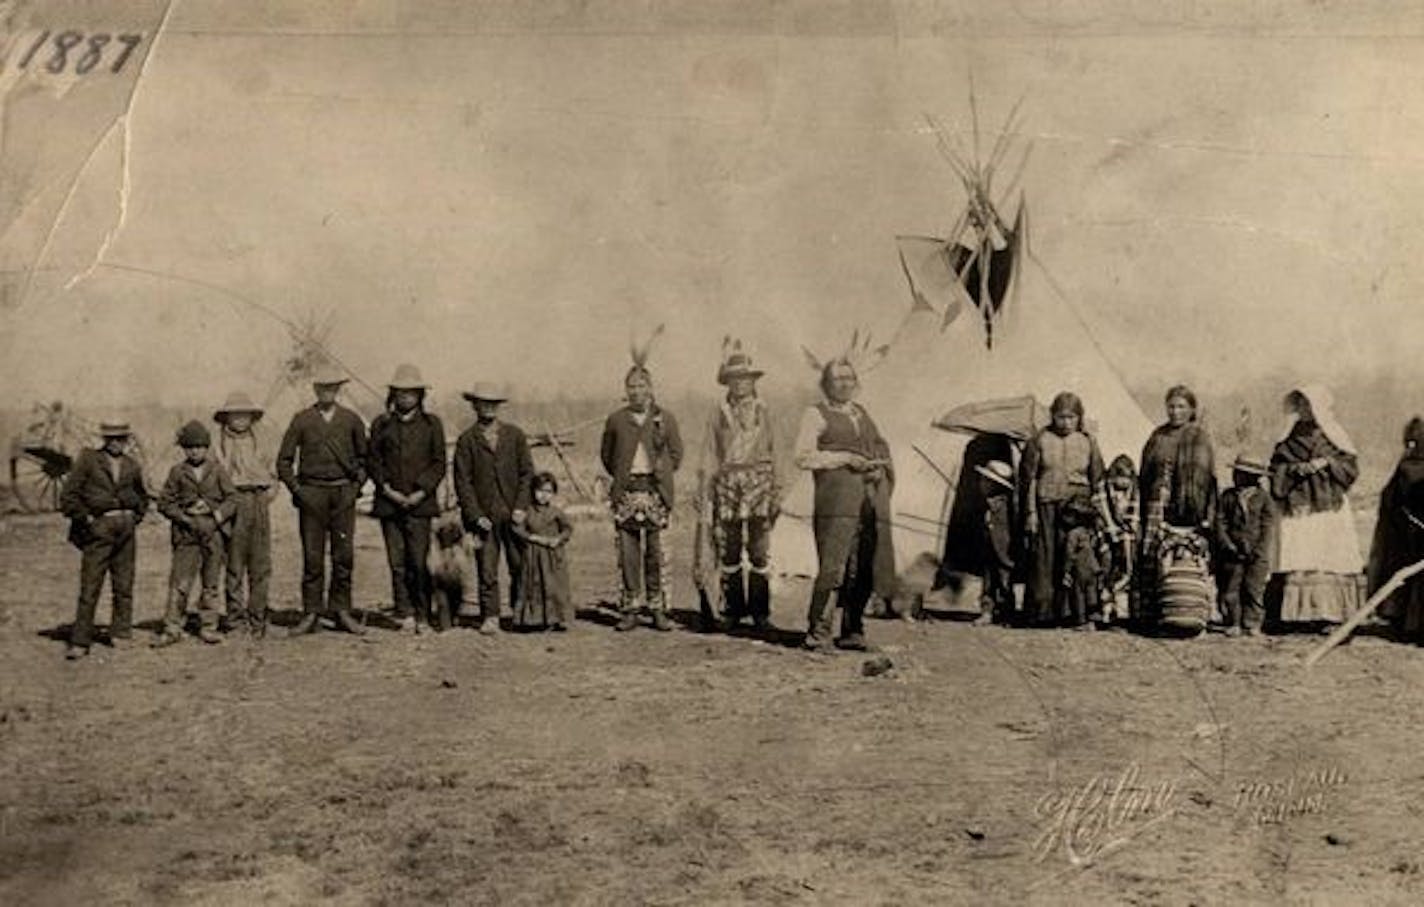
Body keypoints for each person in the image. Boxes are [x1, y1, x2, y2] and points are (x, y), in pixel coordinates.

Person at [793, 356, 895, 652]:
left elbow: (879, 446)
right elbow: (802, 456)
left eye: (850, 378)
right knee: (833, 565)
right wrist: (845, 459)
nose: (845, 384)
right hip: (834, 500)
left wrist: (880, 467)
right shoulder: (815, 414)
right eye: (838, 379)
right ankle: (818, 632)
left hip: (868, 500)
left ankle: (853, 630)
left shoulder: (862, 413)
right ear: (826, 383)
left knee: (863, 564)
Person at [276, 365, 370, 636]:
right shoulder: (302, 419)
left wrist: (355, 487)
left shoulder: (351, 419)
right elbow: (283, 461)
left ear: (338, 390)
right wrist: (298, 491)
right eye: (322, 387)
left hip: (343, 494)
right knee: (312, 557)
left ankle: (342, 611)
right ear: (315, 389)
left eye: (332, 387)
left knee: (343, 555)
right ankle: (311, 613)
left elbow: (365, 460)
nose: (327, 391)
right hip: (312, 495)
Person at [695, 341, 781, 633]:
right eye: (735, 379)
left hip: (759, 484)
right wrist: (704, 486)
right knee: (728, 550)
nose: (740, 384)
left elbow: (776, 449)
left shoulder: (765, 411)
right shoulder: (718, 412)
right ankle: (732, 609)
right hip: (728, 485)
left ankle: (760, 612)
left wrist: (777, 488)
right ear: (727, 382)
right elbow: (709, 452)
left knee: (759, 551)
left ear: (753, 381)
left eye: (745, 378)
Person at [601, 333, 684, 632]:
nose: (636, 391)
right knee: (628, 551)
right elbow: (607, 456)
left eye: (641, 386)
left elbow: (677, 454)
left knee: (657, 552)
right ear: (626, 390)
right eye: (631, 386)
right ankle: (630, 608)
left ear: (650, 388)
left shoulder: (665, 418)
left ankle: (658, 607)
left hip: (656, 491)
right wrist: (625, 476)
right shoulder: (616, 420)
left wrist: (660, 474)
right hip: (627, 492)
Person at [1269, 385, 1364, 631]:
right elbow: (1276, 468)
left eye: (1309, 405)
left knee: (1327, 557)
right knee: (1298, 555)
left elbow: (1350, 469)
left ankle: (1330, 615)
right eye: (1300, 405)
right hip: (1297, 507)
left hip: (1328, 509)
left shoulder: (1335, 436)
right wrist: (1293, 470)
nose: (1304, 410)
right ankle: (1294, 616)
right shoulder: (1288, 438)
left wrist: (1326, 463)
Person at [58, 422, 151, 660]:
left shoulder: (132, 465)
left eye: (121, 438)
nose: (116, 442)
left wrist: (133, 517)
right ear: (104, 439)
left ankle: (121, 633)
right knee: (90, 586)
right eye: (111, 438)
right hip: (99, 530)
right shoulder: (89, 460)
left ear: (127, 439)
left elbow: (142, 497)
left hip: (126, 530)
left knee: (124, 585)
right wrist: (87, 519)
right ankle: (80, 640)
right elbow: (68, 497)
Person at [1019, 392, 1111, 630]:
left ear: (1079, 417)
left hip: (1077, 509)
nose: (1066, 422)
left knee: (1072, 558)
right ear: (1053, 416)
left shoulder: (1088, 441)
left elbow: (1097, 478)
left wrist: (1096, 514)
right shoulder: (1039, 439)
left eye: (1071, 417)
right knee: (1045, 558)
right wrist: (1030, 513)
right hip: (1046, 504)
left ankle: (1073, 614)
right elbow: (1028, 479)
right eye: (1061, 417)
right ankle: (1043, 615)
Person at [369, 364, 447, 634]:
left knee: (418, 561)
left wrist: (419, 492)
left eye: (411, 393)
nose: (406, 398)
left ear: (420, 395)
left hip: (420, 505)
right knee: (397, 563)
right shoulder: (381, 424)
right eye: (401, 393)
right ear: (393, 395)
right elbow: (374, 461)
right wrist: (387, 490)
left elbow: (439, 463)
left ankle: (424, 616)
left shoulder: (432, 424)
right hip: (389, 504)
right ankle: (405, 614)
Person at [452, 382, 534, 635]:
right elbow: (462, 482)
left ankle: (521, 613)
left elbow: (527, 473)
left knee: (519, 565)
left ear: (499, 407)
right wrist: (475, 515)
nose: (488, 408)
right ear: (474, 405)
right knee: (487, 568)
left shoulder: (515, 436)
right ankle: (491, 615)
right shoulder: (467, 440)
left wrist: (521, 506)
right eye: (482, 403)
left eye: (492, 403)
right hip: (484, 518)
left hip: (512, 514)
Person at [1138, 385, 1218, 624]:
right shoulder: (1157, 436)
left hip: (1191, 506)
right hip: (1158, 502)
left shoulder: (1200, 436)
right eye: (1171, 406)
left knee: (1186, 555)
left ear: (1192, 409)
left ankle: (1186, 610)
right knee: (1154, 553)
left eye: (1181, 406)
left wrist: (1202, 508)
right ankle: (1152, 611)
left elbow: (1207, 476)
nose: (1175, 411)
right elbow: (1145, 472)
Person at [154, 421, 237, 647]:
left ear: (207, 447)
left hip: (213, 533)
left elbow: (232, 499)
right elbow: (164, 503)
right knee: (180, 582)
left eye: (199, 446)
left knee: (211, 582)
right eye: (190, 447)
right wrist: (184, 518)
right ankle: (173, 627)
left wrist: (216, 516)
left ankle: (209, 626)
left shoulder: (218, 470)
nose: (195, 451)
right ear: (183, 449)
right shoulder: (177, 472)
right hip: (186, 535)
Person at [213, 391, 278, 638]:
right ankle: (234, 619)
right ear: (226, 418)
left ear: (252, 418)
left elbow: (274, 475)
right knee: (234, 563)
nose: (240, 420)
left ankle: (258, 617)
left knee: (260, 563)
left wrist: (267, 495)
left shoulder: (262, 442)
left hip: (259, 501)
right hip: (233, 502)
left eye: (245, 415)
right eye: (235, 415)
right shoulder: (218, 445)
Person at [1367, 417, 1424, 644]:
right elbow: (1394, 500)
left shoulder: (1408, 466)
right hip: (1409, 532)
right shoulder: (1408, 467)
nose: (1409, 447)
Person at [1214, 455, 1276, 637]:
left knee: (1254, 588)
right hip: (1231, 552)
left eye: (1240, 474)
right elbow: (1220, 522)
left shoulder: (1264, 499)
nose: (1235, 476)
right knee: (1231, 588)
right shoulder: (1227, 496)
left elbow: (1267, 526)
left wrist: (1259, 550)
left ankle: (1252, 623)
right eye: (1236, 473)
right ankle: (1233, 622)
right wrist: (1227, 544)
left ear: (1253, 478)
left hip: (1256, 554)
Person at [511, 472, 574, 631]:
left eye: (548, 491)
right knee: (534, 586)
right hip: (533, 556)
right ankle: (533, 619)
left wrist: (558, 539)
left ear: (553, 493)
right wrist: (532, 538)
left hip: (552, 557)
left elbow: (567, 529)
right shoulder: (527, 511)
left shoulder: (556, 512)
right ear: (533, 491)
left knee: (554, 586)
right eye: (540, 491)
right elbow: (517, 528)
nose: (543, 495)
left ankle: (554, 618)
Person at [973, 460, 1016, 626]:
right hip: (989, 548)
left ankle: (1007, 613)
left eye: (985, 481)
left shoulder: (1005, 505)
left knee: (1005, 581)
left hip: (1002, 550)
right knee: (988, 581)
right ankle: (987, 611)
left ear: (994, 485)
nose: (981, 484)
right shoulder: (987, 504)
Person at [1102, 455, 1140, 626]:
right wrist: (1113, 533)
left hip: (1127, 538)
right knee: (1107, 569)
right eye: (1120, 478)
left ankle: (1124, 612)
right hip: (1106, 537)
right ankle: (1107, 610)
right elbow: (1103, 514)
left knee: (1128, 569)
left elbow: (1134, 516)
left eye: (1127, 478)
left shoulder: (1134, 492)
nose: (1123, 482)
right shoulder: (1103, 490)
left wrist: (1127, 530)